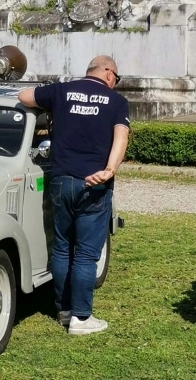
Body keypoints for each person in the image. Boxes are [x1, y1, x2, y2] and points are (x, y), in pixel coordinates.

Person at [18, 55, 130, 335]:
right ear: (107, 72)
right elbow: (121, 136)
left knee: (62, 247)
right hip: (94, 183)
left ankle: (63, 310)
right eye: (116, 77)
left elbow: (24, 95)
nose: (115, 83)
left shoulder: (61, 91)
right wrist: (109, 169)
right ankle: (81, 317)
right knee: (86, 253)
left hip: (61, 179)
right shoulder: (116, 102)